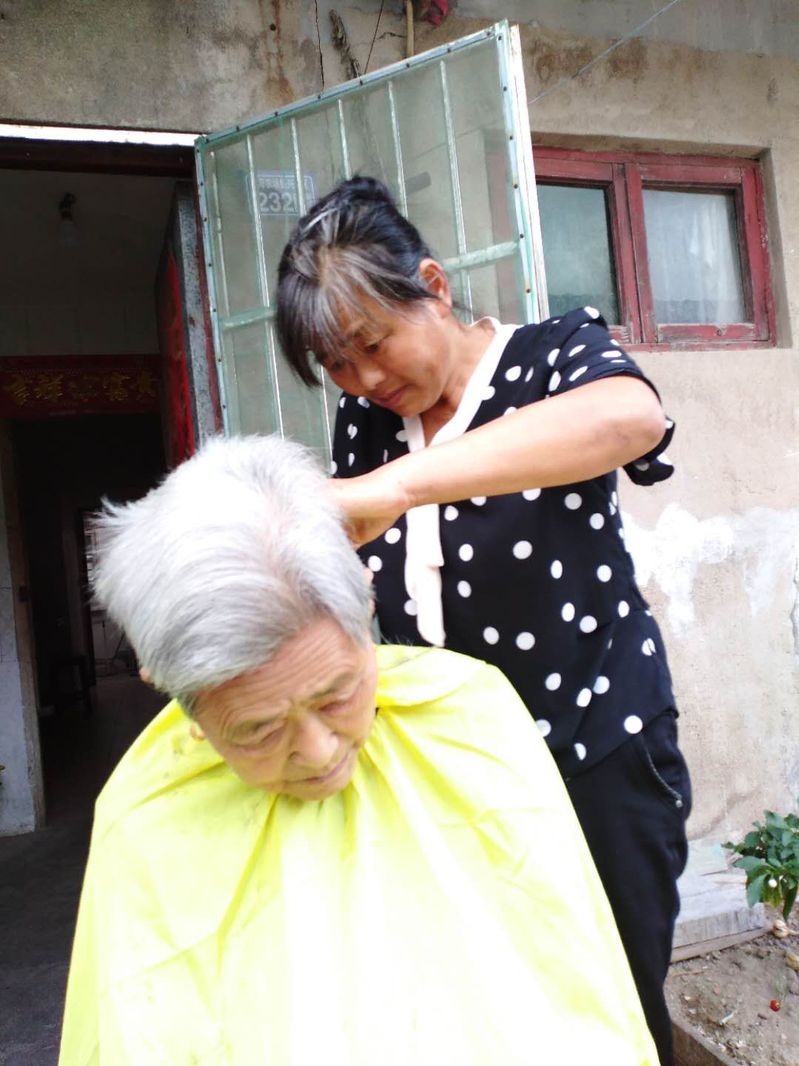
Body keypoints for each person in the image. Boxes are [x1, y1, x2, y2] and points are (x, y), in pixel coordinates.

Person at [59, 435, 657, 1065]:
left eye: (338, 695)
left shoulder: (471, 716)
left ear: (367, 604)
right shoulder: (146, 816)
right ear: (172, 695)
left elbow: (571, 976)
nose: (319, 753)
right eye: (260, 730)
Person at [276, 176, 692, 1066]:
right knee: (492, 1003)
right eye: (336, 364)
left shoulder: (551, 354)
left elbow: (631, 416)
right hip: (453, 772)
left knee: (613, 996)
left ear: (432, 286)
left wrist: (396, 486)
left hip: (594, 747)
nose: (363, 379)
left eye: (372, 344)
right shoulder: (366, 420)